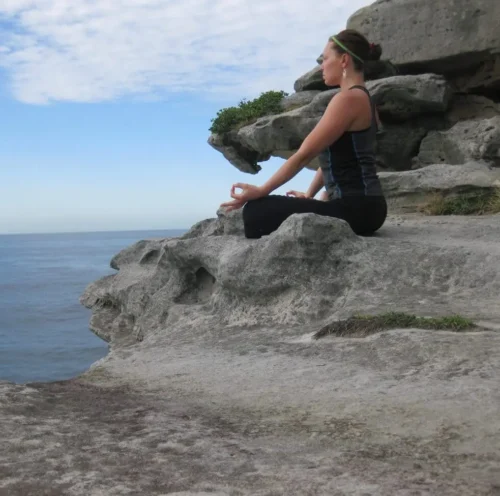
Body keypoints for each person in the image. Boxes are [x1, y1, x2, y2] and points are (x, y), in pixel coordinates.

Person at [220, 29, 387, 239]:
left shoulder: (348, 99)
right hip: (367, 206)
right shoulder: (365, 99)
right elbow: (335, 157)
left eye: (325, 58)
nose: (321, 66)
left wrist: (262, 190)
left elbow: (304, 155)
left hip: (357, 208)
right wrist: (309, 196)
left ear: (344, 60)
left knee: (256, 211)